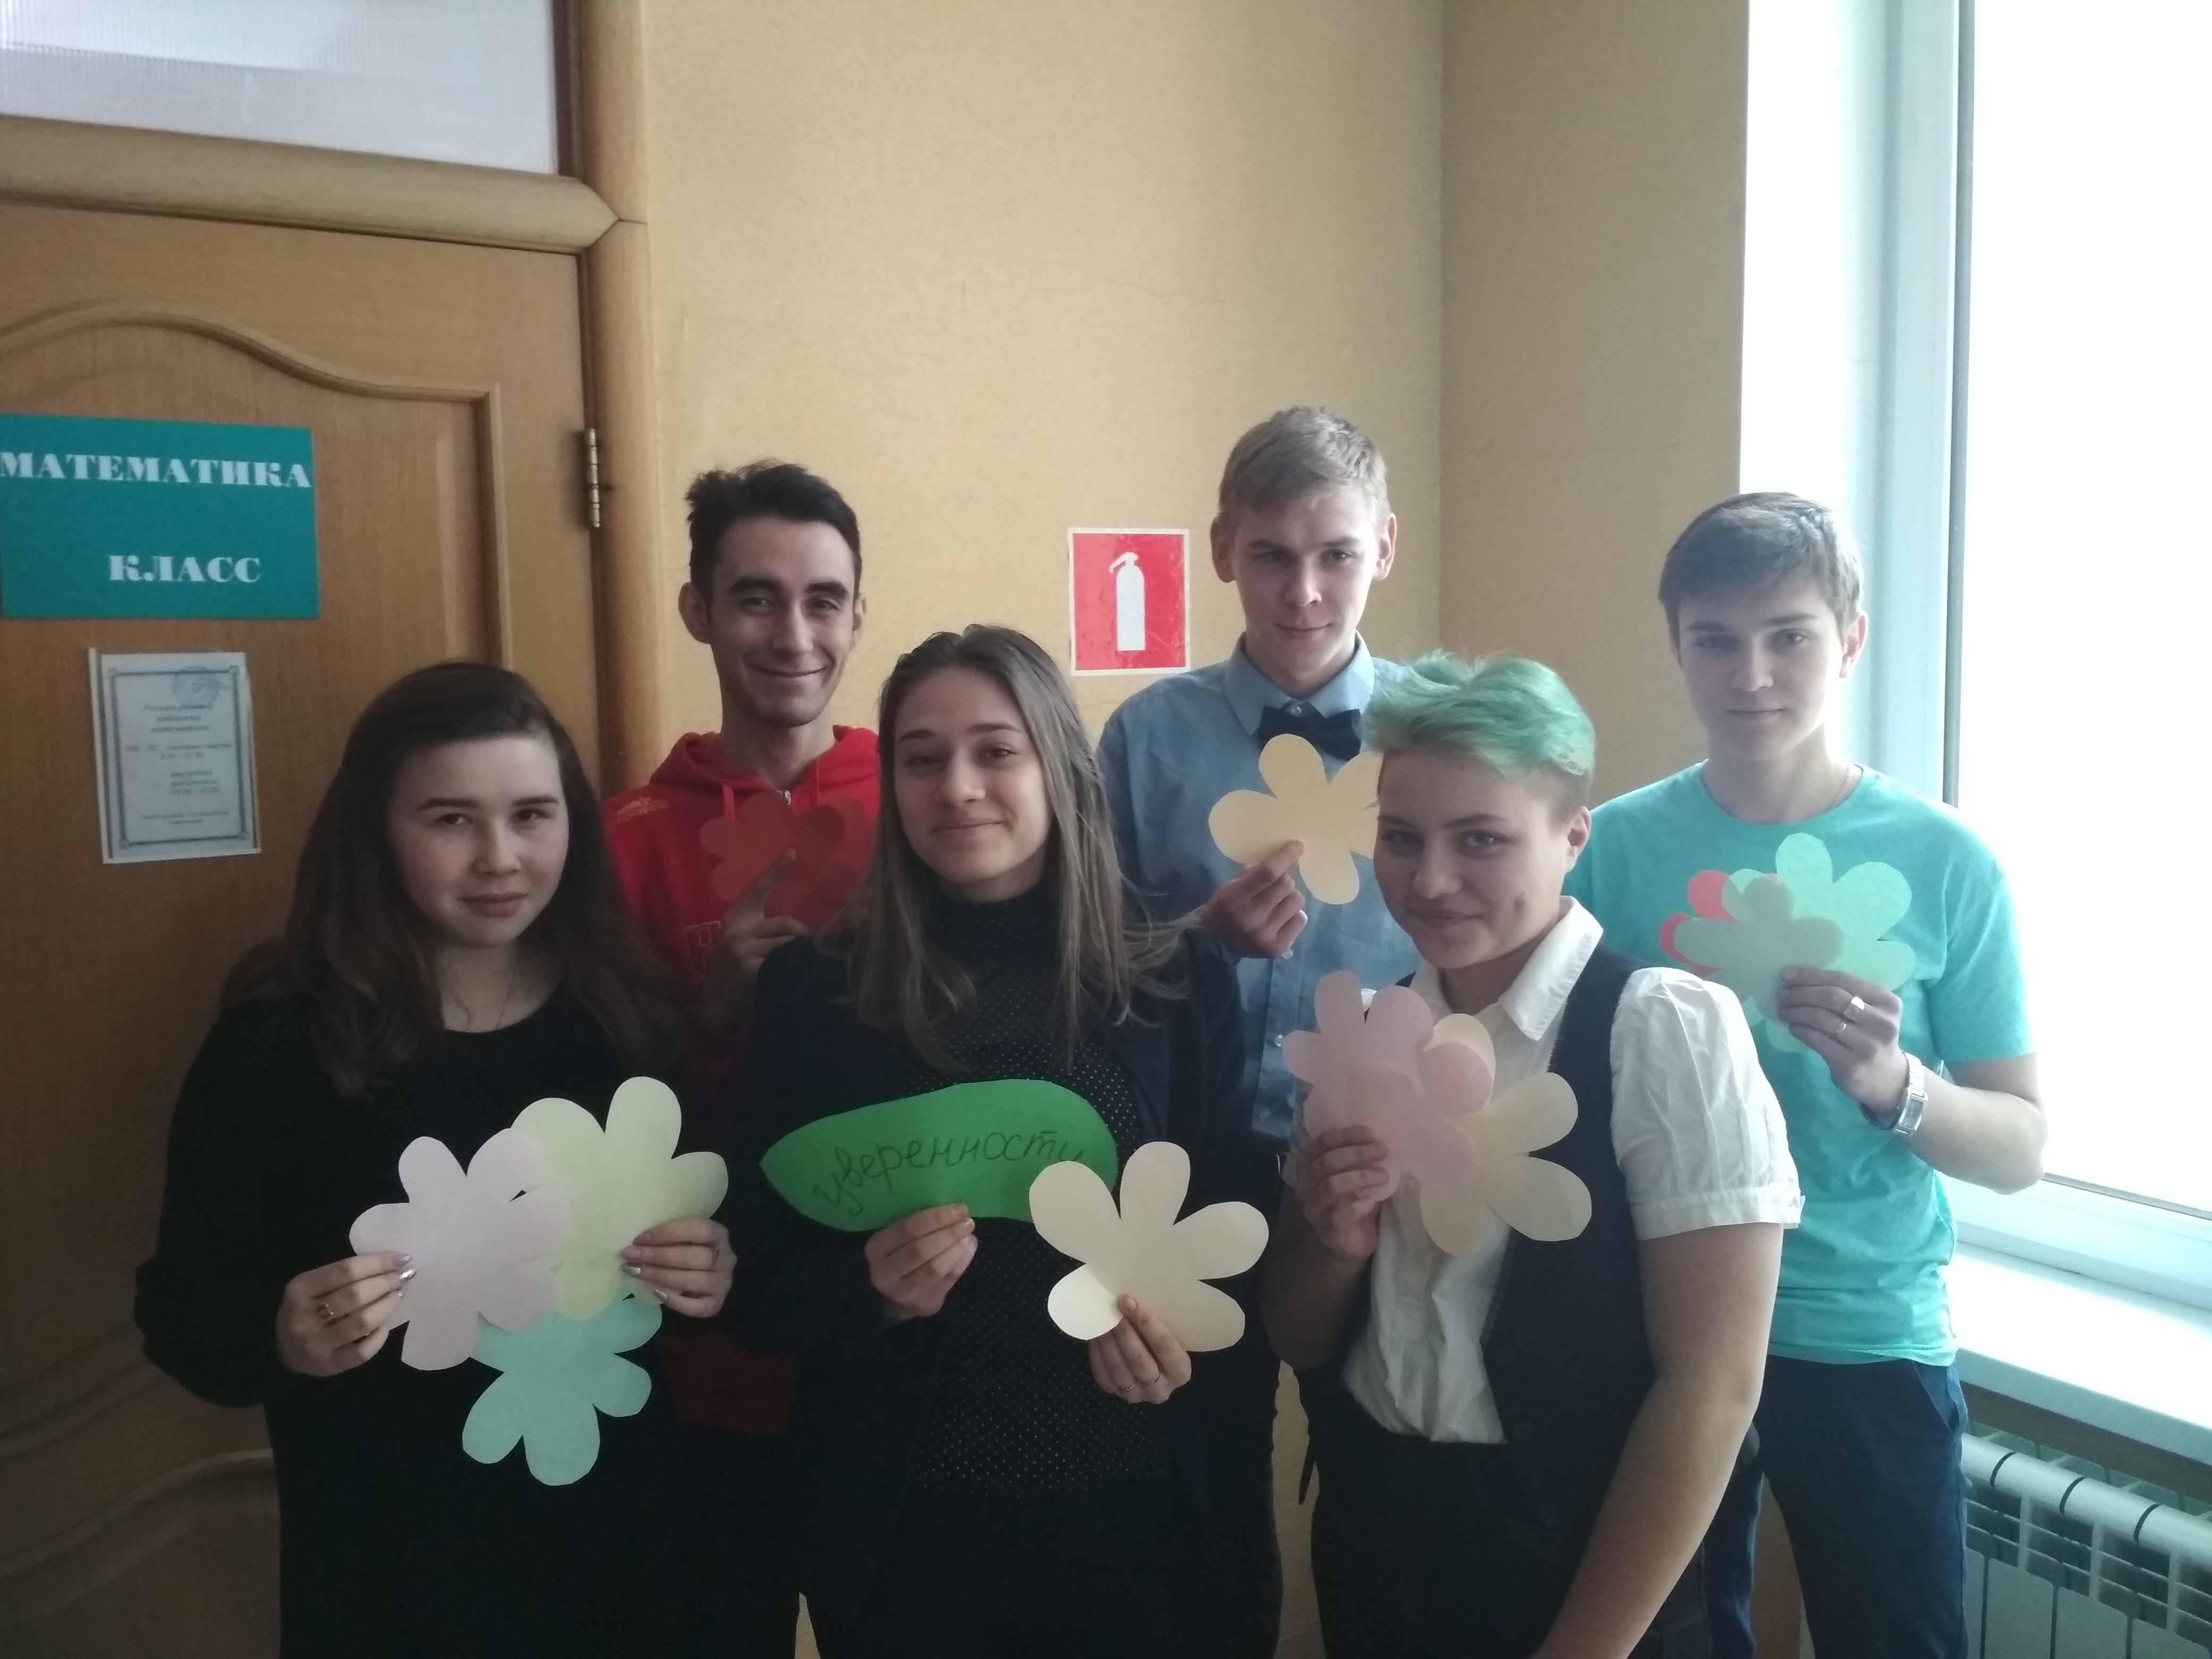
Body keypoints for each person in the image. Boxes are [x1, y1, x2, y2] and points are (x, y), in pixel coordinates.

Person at [135, 661, 734, 1659]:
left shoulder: (627, 1018)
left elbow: (688, 1251)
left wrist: (709, 1270)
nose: (500, 857)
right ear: (374, 830)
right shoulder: (280, 1045)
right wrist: (280, 1335)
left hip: (615, 1536)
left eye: (533, 815)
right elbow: (183, 1314)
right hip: (387, 1555)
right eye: (452, 819)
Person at [726, 625, 1281, 1658]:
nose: (958, 787)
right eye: (922, 758)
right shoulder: (818, 995)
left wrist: (1181, 1343)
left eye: (996, 750)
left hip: (1142, 1528)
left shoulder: (1175, 982)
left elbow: (1235, 1240)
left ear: (1058, 767)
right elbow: (753, 1272)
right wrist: (871, 1293)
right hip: (910, 1544)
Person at [1564, 493, 2045, 1659]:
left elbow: (2020, 1147)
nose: (1752, 675)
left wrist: (1894, 1081)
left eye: (1788, 636)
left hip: (1866, 1328)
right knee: (1677, 1639)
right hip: (1658, 1324)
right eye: (1715, 640)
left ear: (1850, 640)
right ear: (1675, 645)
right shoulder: (1607, 848)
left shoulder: (1947, 862)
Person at [1264, 652, 1802, 1659]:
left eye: (1481, 840)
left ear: (1571, 836)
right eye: (1401, 837)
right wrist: (1335, 1245)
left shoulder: (1661, 1032)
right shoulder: (1364, 1031)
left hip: (1591, 1567)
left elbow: (1713, 1389)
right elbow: (1296, 1337)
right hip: (1380, 1535)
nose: (1430, 880)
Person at [604, 460, 877, 1655]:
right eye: (756, 598)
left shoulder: (921, 806)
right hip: (706, 1362)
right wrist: (709, 1010)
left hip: (893, 1335)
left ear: (859, 616)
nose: (793, 634)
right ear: (697, 611)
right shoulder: (625, 840)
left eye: (823, 600)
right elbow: (582, 1104)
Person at [1100, 406, 1419, 1145]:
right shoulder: (1142, 740)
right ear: (1223, 550)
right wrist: (1198, 941)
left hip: (1382, 1147)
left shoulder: (1441, 739)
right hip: (1182, 1142)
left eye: (1337, 555)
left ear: (1384, 548)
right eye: (1273, 555)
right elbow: (1084, 960)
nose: (1303, 592)